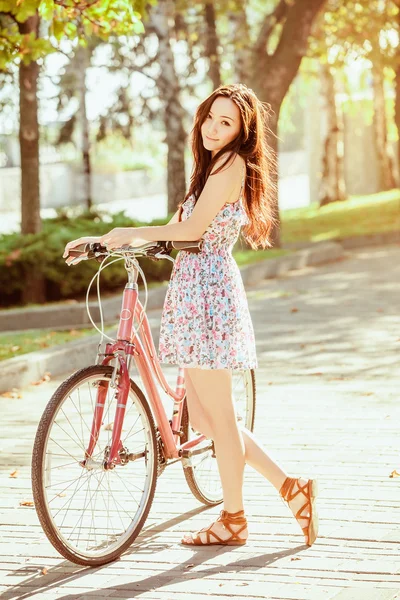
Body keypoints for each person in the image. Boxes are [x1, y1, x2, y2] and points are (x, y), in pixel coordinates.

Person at [63, 83, 319, 547]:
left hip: (207, 298)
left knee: (218, 418)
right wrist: (101, 243)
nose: (214, 128)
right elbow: (185, 236)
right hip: (195, 289)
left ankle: (234, 519)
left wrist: (124, 233)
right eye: (210, 118)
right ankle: (290, 486)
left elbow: (194, 229)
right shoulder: (211, 168)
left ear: (242, 131)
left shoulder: (231, 164)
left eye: (227, 122)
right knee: (204, 419)